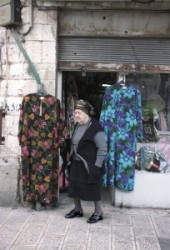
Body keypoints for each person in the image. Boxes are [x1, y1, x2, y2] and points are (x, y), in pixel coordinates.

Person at [65, 99, 107, 223]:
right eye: (75, 112)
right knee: (75, 186)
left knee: (93, 188)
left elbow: (102, 148)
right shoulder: (78, 124)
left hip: (90, 164)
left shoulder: (95, 126)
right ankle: (78, 209)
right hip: (77, 161)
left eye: (79, 113)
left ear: (87, 113)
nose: (76, 115)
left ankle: (98, 212)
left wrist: (97, 166)